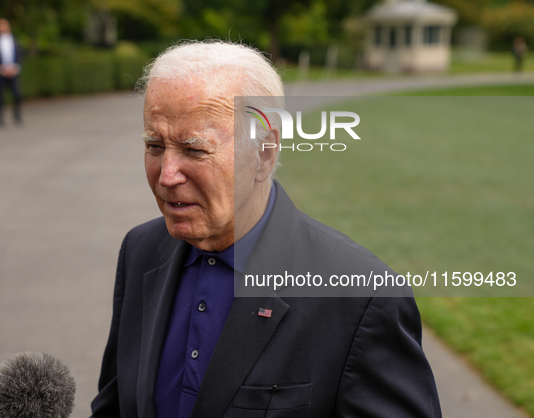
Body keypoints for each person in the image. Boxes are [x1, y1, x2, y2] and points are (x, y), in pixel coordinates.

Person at [91, 41, 441, 418]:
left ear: (264, 154)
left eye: (194, 150)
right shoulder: (140, 250)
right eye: (154, 145)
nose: (166, 174)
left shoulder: (361, 299)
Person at [0, 18, 22, 127]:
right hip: (0, 72)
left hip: (13, 71)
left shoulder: (14, 40)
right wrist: (0, 68)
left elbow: (20, 55)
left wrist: (15, 67)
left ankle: (17, 116)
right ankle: (0, 118)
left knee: (17, 94)